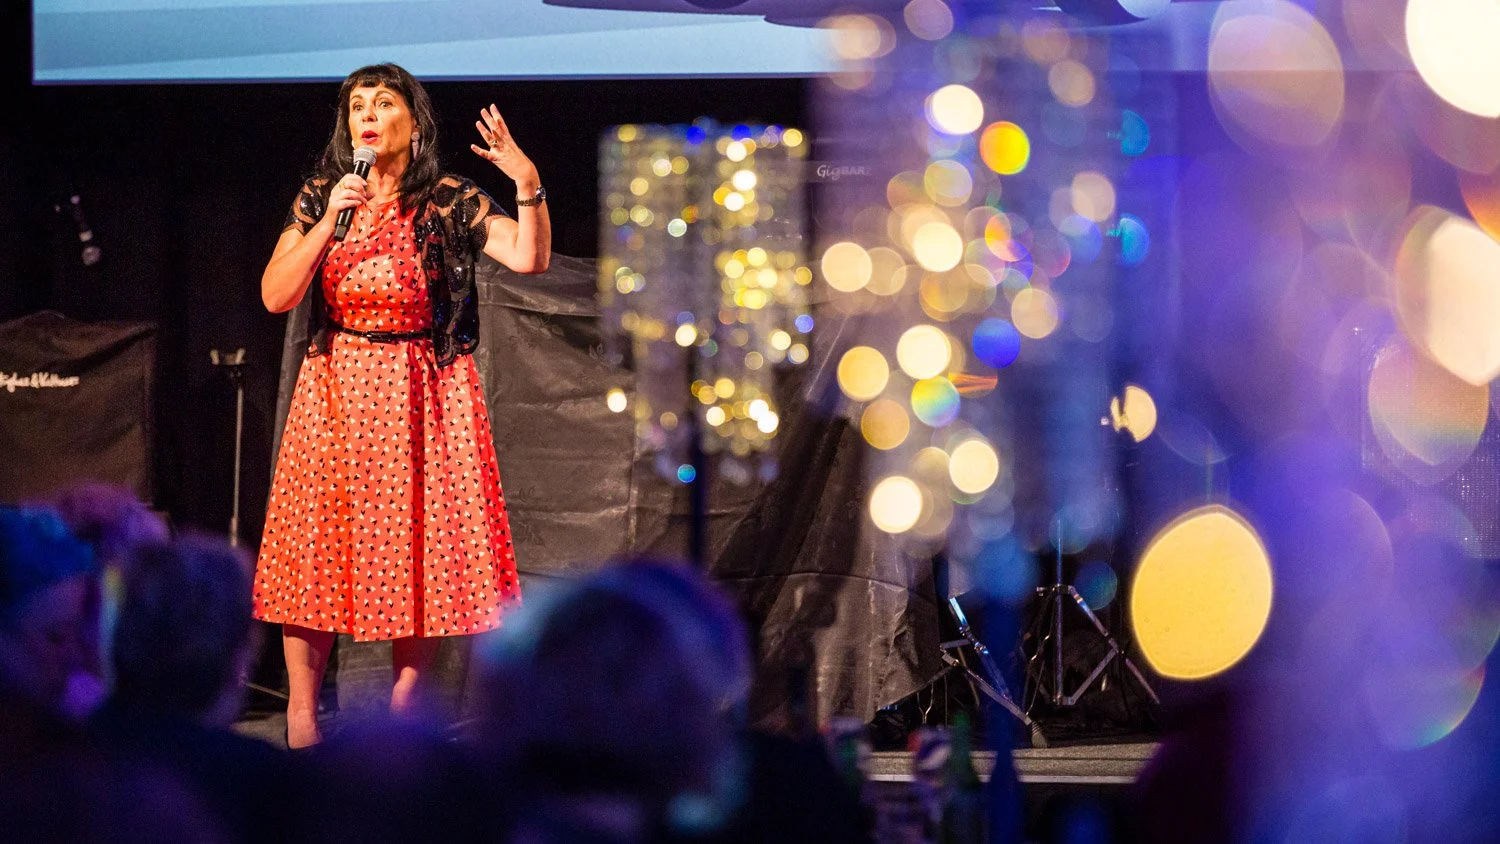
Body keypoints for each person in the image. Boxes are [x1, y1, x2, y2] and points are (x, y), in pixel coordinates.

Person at [253, 62, 551, 749]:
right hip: (335, 384)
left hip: (422, 386)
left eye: (383, 103)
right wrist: (331, 218)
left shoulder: (450, 200)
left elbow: (529, 259)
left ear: (412, 123)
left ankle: (401, 727)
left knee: (415, 552)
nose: (368, 115)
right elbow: (276, 295)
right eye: (358, 105)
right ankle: (302, 717)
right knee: (314, 549)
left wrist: (526, 182)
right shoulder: (324, 194)